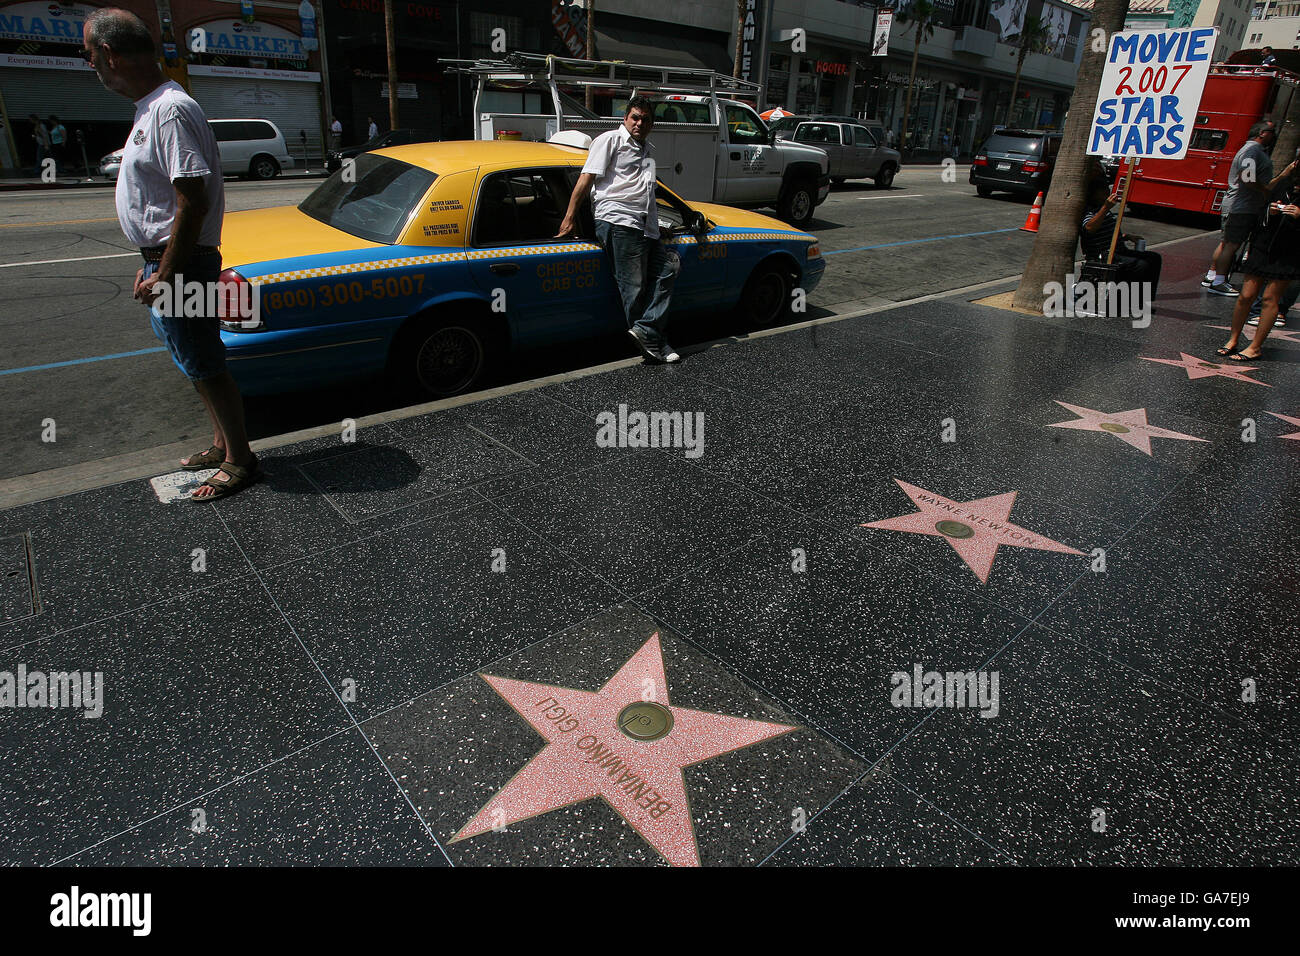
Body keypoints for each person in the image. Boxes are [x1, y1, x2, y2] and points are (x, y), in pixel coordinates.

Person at [83, 7, 258, 500]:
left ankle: (241, 460)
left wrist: (165, 271)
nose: (89, 64)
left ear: (110, 53)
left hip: (183, 263)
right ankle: (224, 444)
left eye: (90, 54)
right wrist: (156, 268)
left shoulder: (170, 109)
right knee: (191, 358)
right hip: (167, 261)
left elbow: (192, 199)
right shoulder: (151, 107)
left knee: (204, 360)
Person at [556, 95, 681, 363]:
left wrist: (658, 224)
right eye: (635, 117)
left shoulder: (646, 149)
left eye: (645, 120)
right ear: (625, 118)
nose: (639, 123)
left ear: (651, 124)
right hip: (618, 219)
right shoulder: (609, 140)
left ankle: (647, 331)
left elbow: (646, 192)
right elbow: (586, 178)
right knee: (633, 288)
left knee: (669, 268)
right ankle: (654, 344)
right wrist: (569, 217)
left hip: (644, 226)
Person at [1202, 121, 1291, 296]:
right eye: (1272, 131)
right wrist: (1265, 191)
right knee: (1232, 244)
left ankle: (1212, 276)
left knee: (1227, 242)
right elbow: (1247, 177)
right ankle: (1218, 281)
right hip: (1242, 206)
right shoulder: (1252, 151)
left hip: (1243, 205)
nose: (1274, 135)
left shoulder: (1254, 151)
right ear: (1262, 133)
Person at [1217, 182, 1300, 361]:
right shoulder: (1281, 187)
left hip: (1288, 253)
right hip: (1262, 246)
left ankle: (1255, 347)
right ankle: (1233, 339)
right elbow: (1258, 213)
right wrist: (1269, 211)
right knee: (1246, 296)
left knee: (1270, 299)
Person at [1079, 171, 1162, 308]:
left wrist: (1126, 236)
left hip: (1118, 248)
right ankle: (1128, 299)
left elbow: (1108, 230)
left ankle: (1143, 298)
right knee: (1140, 265)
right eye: (1104, 191)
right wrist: (1106, 207)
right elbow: (1089, 228)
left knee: (1153, 258)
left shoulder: (1103, 208)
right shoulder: (1091, 210)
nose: (1107, 193)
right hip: (1104, 254)